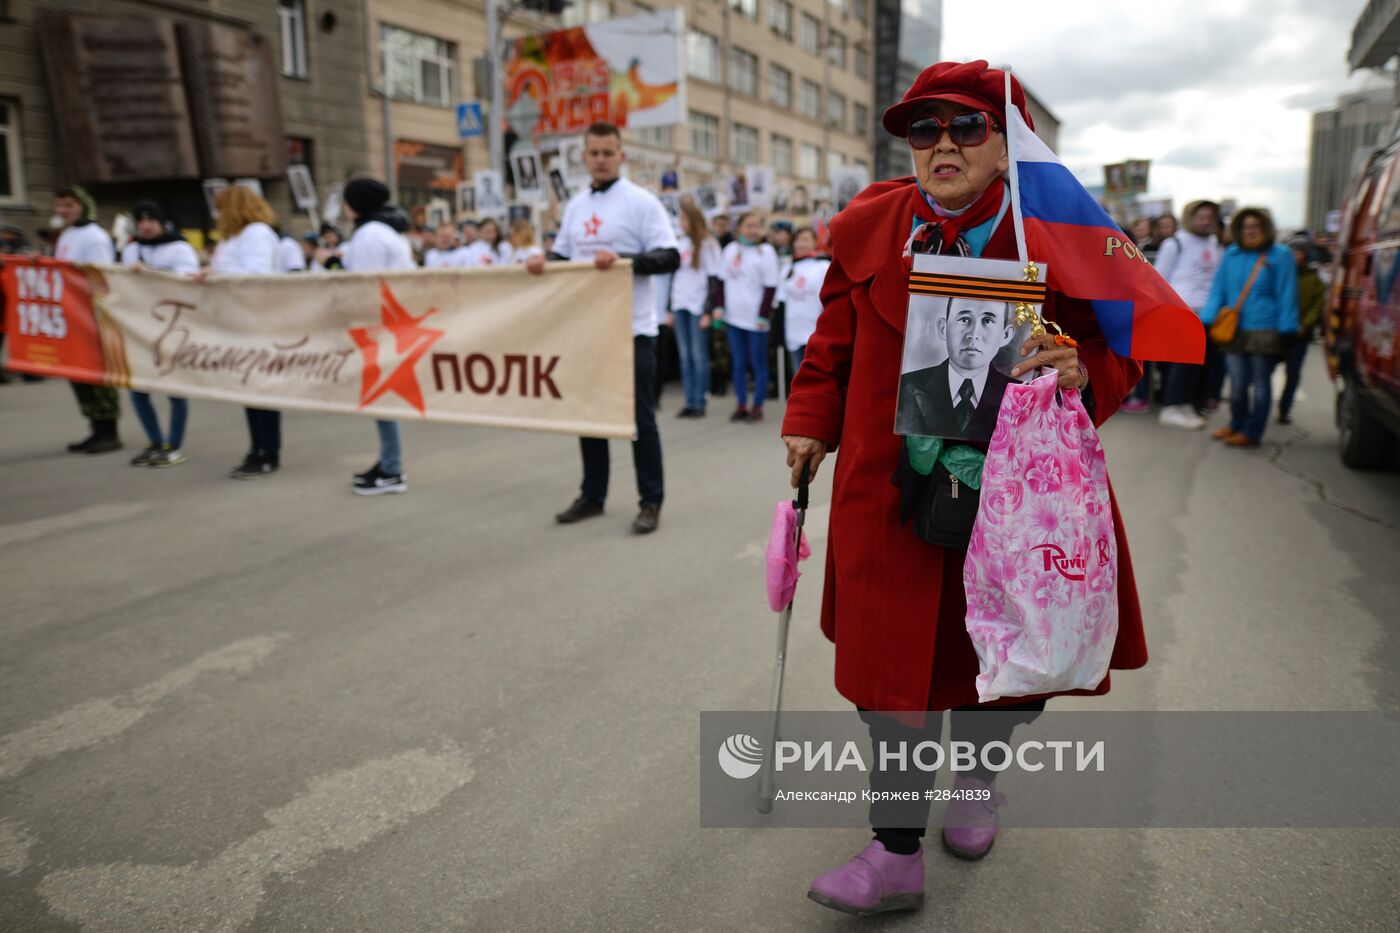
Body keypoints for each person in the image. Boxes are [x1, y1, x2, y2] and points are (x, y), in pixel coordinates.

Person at [780, 60, 1145, 917]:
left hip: (1019, 495)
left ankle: (979, 776)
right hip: (888, 488)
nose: (942, 144)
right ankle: (894, 849)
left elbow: (1116, 349)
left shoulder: (1057, 231)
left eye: (966, 127)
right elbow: (831, 342)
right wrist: (809, 422)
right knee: (891, 672)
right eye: (923, 129)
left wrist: (1081, 369)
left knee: (1007, 665)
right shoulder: (870, 223)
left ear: (1005, 142)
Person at [525, 120, 680, 534]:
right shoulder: (576, 205)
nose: (600, 159)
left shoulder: (642, 203)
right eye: (593, 153)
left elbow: (670, 257)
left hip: (633, 329)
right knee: (589, 416)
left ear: (620, 155)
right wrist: (544, 263)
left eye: (607, 152)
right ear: (585, 156)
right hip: (587, 329)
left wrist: (625, 259)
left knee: (639, 421)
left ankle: (651, 501)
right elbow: (563, 259)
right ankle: (592, 495)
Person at [339, 177, 416, 495]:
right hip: (393, 321)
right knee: (381, 396)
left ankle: (392, 469)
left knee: (381, 394)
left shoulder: (370, 235)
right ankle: (388, 461)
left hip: (381, 324)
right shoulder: (387, 232)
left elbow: (365, 287)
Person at [1200, 207, 1298, 448]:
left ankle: (1252, 432)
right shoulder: (1231, 253)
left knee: (1261, 384)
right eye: (1246, 227)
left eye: (1255, 227)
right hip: (1234, 329)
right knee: (1236, 383)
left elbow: (1287, 293)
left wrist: (1288, 327)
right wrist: (1206, 318)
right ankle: (1236, 424)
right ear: (1238, 230)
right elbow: (1218, 290)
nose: (1250, 231)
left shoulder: (1280, 255)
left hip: (1265, 329)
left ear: (1265, 228)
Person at [209, 187, 283, 478]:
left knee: (261, 390)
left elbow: (257, 275)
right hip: (239, 321)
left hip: (258, 320)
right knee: (249, 390)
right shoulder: (234, 238)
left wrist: (216, 276)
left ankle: (268, 452)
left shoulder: (257, 234)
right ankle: (257, 447)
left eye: (220, 208)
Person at [120, 200, 198, 467]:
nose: (145, 226)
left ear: (161, 222)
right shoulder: (132, 249)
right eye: (140, 221)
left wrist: (151, 273)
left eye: (150, 220)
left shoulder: (179, 247)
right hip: (140, 327)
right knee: (138, 390)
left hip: (172, 326)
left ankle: (173, 445)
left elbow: (186, 280)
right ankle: (154, 440)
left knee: (175, 388)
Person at [52, 184, 123, 453]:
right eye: (60, 206)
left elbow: (100, 278)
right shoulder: (67, 234)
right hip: (70, 315)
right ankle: (95, 429)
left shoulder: (95, 237)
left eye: (69, 205)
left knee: (97, 375)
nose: (63, 211)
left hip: (91, 317)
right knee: (78, 374)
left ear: (83, 205)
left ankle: (109, 432)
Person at [896, 297, 1018, 439]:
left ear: (1005, 335)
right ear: (943, 328)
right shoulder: (906, 386)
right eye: (964, 319)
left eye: (987, 321)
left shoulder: (1020, 395)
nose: (973, 334)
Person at [1153, 200, 1222, 430]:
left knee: (1198, 365)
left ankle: (1187, 405)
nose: (1206, 221)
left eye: (1210, 217)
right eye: (1201, 216)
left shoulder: (1214, 243)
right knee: (1181, 363)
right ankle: (1173, 406)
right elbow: (1159, 278)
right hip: (1182, 311)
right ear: (1190, 217)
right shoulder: (1175, 243)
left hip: (1209, 313)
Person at [717, 211, 780, 423]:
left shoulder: (766, 252)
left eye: (756, 226)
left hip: (756, 321)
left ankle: (758, 406)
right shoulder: (730, 250)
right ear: (739, 228)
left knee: (758, 363)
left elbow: (771, 286)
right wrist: (719, 307)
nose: (752, 230)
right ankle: (741, 404)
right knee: (739, 363)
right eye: (748, 225)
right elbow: (721, 281)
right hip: (734, 318)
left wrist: (763, 315)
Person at [671, 198, 723, 417]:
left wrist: (708, 310)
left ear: (692, 219)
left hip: (698, 306)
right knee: (684, 356)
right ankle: (689, 400)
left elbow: (714, 278)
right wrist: (667, 308)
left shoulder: (708, 244)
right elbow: (674, 277)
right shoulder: (680, 243)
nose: (680, 222)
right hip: (679, 303)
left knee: (698, 355)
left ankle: (700, 401)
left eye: (683, 217)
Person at [1279, 236, 1324, 424]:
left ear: (1305, 255)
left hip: (1300, 334)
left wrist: (1305, 325)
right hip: (1277, 332)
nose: (1294, 256)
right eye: (1292, 251)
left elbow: (1317, 304)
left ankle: (1284, 409)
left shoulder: (1313, 279)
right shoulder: (1280, 274)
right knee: (1262, 372)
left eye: (1298, 252)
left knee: (1293, 371)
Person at [778, 226, 830, 380]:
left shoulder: (823, 267)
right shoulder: (788, 268)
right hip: (793, 333)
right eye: (798, 240)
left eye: (806, 240)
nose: (801, 244)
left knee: (816, 378)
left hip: (815, 332)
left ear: (815, 242)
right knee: (798, 377)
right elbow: (781, 301)